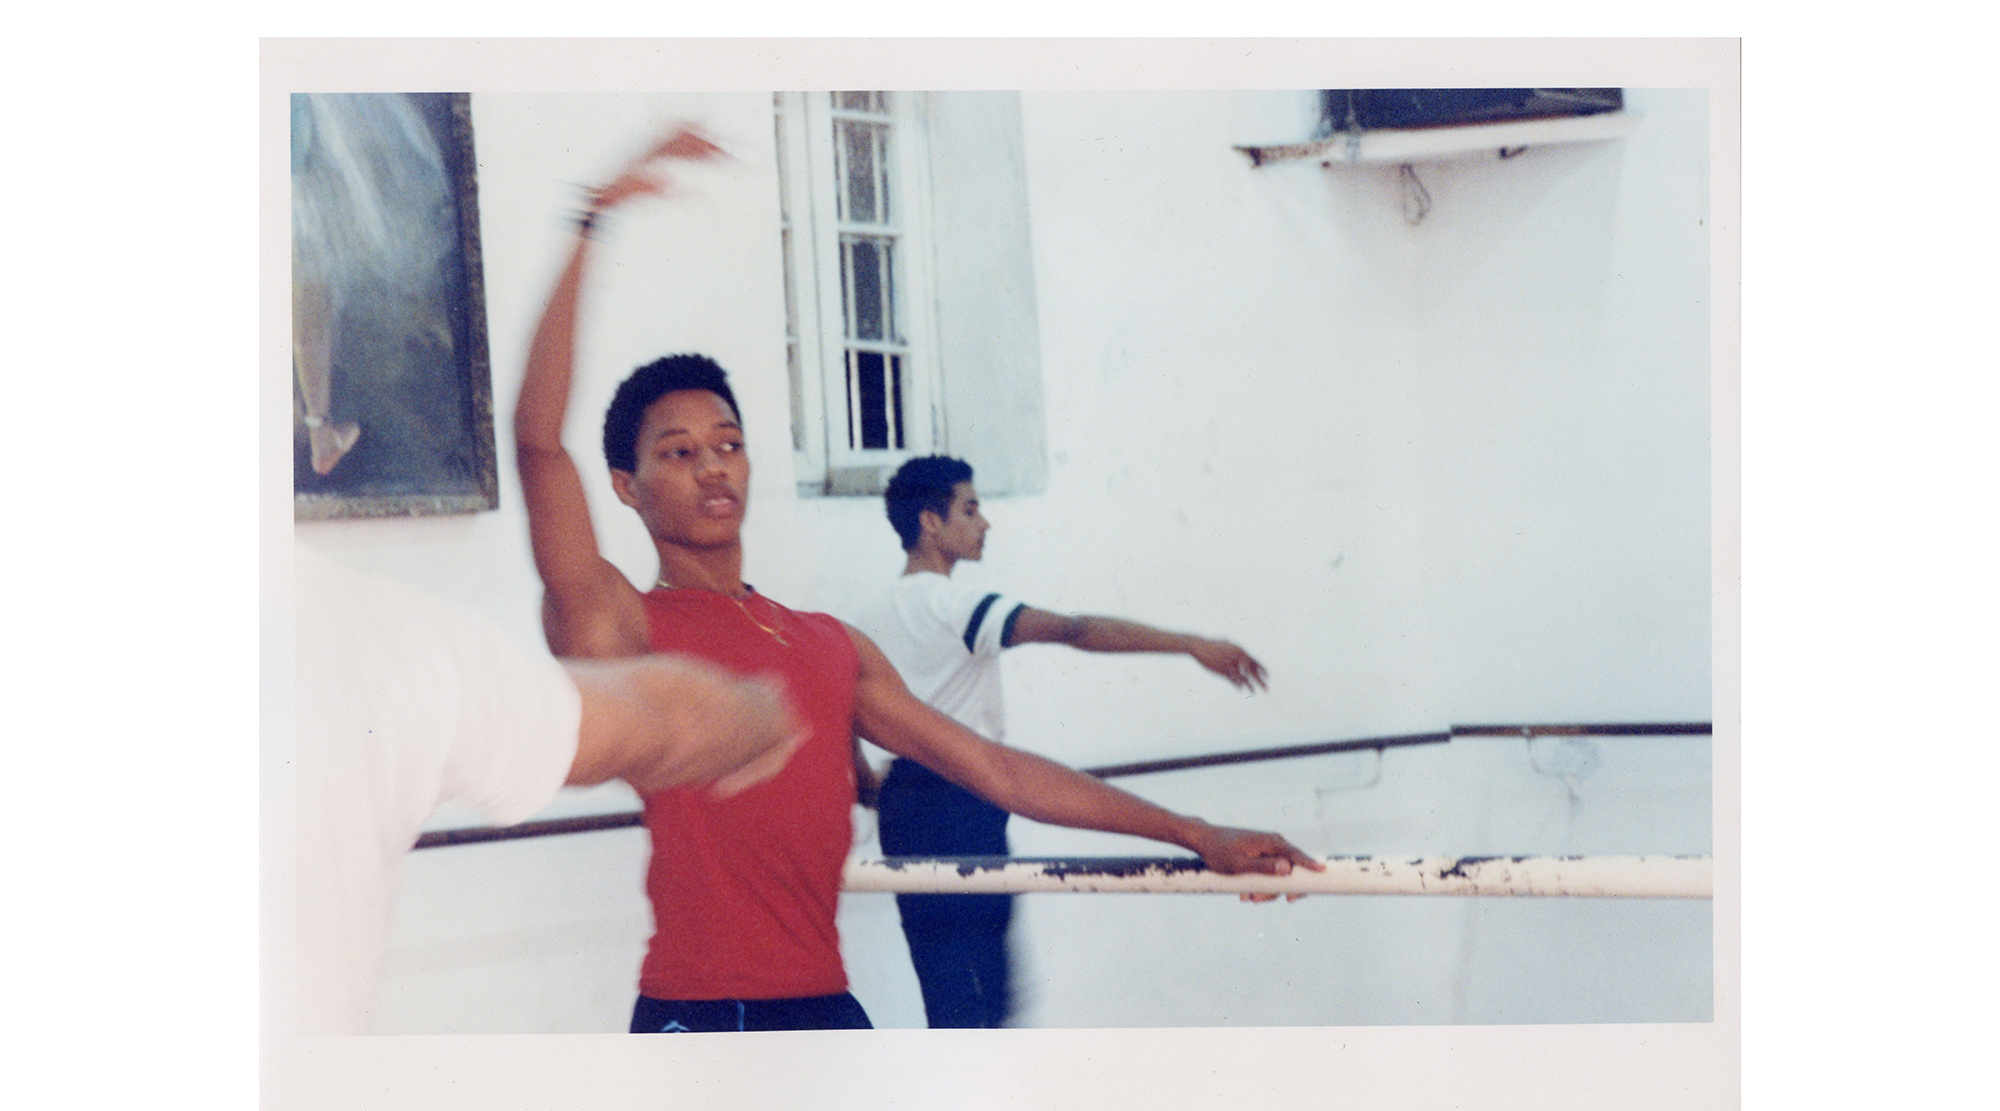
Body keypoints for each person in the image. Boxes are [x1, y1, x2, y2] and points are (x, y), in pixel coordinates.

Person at [514, 125, 1323, 1034]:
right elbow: (539, 447)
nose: (714, 469)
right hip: (701, 1014)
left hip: (824, 1006)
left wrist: (1198, 835)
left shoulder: (827, 643)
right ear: (627, 484)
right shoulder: (624, 624)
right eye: (680, 451)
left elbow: (995, 769)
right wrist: (592, 220)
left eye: (730, 445)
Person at [292, 543, 807, 1035]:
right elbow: (666, 721)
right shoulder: (364, 633)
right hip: (700, 986)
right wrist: (760, 714)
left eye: (732, 445)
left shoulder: (360, 634)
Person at [851, 454, 1272, 1028]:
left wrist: (871, 783)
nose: (984, 523)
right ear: (929, 522)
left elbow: (838, 710)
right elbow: (1075, 630)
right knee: (984, 1002)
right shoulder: (954, 605)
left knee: (948, 995)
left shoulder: (867, 615)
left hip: (907, 803)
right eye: (970, 509)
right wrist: (1191, 643)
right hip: (960, 798)